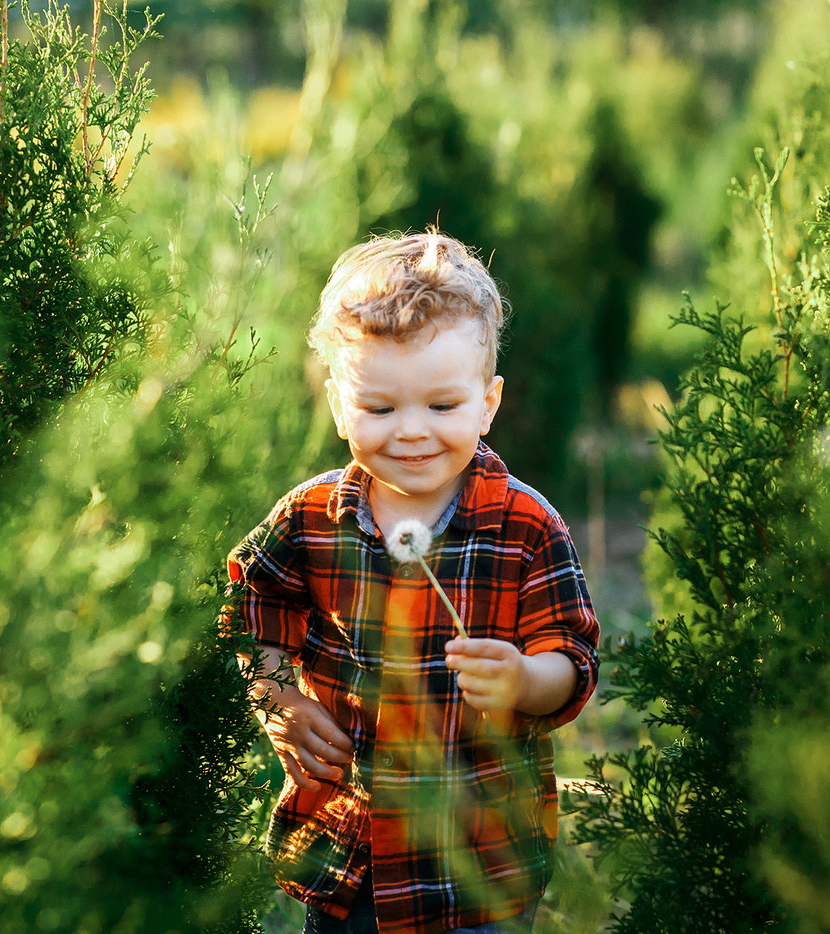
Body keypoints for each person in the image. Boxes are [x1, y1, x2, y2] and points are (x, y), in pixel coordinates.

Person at [225, 231, 600, 934]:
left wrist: (522, 679)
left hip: (477, 865)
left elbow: (574, 662)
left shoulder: (525, 527)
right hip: (347, 856)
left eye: (441, 405)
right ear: (340, 406)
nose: (412, 432)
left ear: (487, 403)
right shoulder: (310, 519)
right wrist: (274, 697)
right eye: (380, 409)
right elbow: (250, 605)